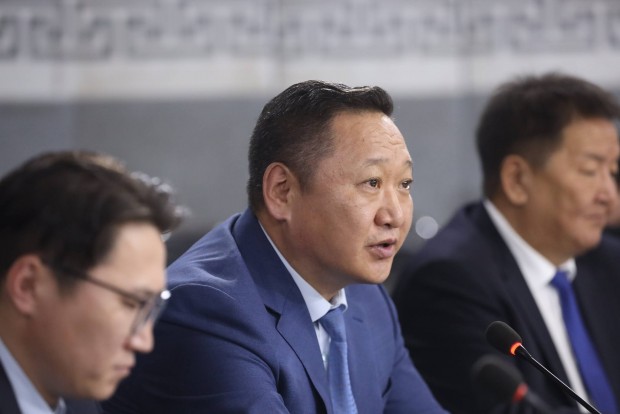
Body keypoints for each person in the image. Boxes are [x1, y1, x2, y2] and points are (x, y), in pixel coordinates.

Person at [102, 80, 448, 414]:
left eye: (404, 184)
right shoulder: (207, 311)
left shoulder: (365, 297)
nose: (395, 215)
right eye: (372, 183)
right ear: (282, 191)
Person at [393, 72, 620, 414]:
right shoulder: (448, 282)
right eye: (590, 171)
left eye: (612, 172)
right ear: (517, 179)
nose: (609, 195)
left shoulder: (608, 263)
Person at [0, 150, 183, 414]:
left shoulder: (75, 394)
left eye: (151, 308)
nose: (144, 342)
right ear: (28, 285)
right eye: (130, 303)